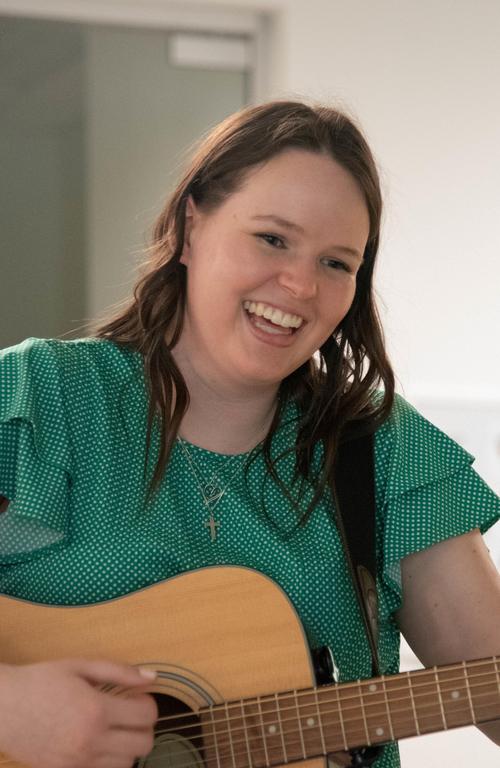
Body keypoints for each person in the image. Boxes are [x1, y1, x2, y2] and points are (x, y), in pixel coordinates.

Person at [0, 100, 499, 768]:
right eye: (272, 239)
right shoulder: (41, 399)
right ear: (189, 227)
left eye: (336, 263)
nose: (298, 285)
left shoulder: (384, 448)